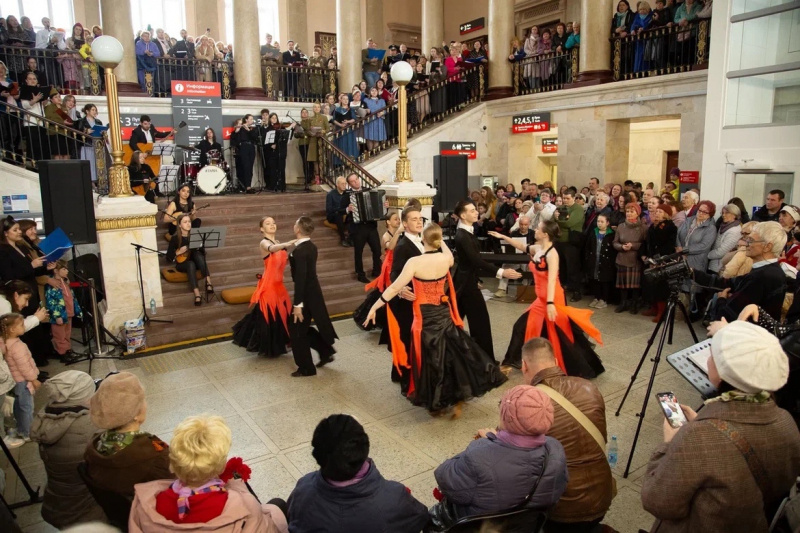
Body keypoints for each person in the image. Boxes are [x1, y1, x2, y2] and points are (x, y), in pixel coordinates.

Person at [641, 321, 800, 532]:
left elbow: (657, 500)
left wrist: (670, 443)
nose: (708, 359)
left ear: (726, 373)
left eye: (713, 356)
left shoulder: (699, 436)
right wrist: (712, 424)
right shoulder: (786, 420)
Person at [431, 385, 568, 528]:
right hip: (525, 527)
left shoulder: (479, 456)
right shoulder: (555, 449)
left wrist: (486, 442)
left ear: (506, 418)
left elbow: (444, 477)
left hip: (481, 527)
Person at [516, 339, 616, 532]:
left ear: (524, 366)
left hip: (562, 511)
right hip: (604, 495)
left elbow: (513, 454)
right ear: (555, 361)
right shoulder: (589, 387)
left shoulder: (528, 401)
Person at [129, 415, 289, 533]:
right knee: (278, 504)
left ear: (174, 462)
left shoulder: (144, 505)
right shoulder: (243, 506)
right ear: (219, 467)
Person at [492, 220, 604, 376]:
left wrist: (550, 303)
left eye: (538, 228)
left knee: (556, 332)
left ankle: (563, 364)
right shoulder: (538, 248)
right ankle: (521, 360)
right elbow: (521, 246)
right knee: (529, 327)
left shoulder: (552, 254)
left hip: (552, 297)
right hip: (541, 298)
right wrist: (503, 236)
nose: (535, 230)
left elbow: (552, 279)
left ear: (545, 234)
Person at [287, 414, 429, 532]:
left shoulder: (303, 488)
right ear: (364, 448)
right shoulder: (395, 497)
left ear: (318, 456)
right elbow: (421, 518)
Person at [30, 371, 105, 529]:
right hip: (86, 511)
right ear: (85, 398)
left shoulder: (45, 419)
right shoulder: (89, 427)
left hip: (56, 503)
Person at [84, 372, 171, 502]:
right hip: (148, 510)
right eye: (143, 400)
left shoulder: (95, 443)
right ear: (136, 413)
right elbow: (176, 482)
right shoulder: (155, 453)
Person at [453, 201, 521, 360]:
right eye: (472, 210)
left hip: (467, 282)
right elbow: (476, 260)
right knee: (480, 322)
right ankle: (485, 360)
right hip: (466, 285)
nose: (476, 212)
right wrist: (502, 272)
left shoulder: (467, 232)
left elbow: (471, 262)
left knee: (460, 322)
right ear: (463, 215)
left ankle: (477, 357)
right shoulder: (462, 235)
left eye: (475, 210)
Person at [693, 221, 787, 322]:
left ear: (767, 246)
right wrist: (692, 273)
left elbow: (729, 316)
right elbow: (727, 283)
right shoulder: (770, 270)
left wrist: (722, 300)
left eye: (750, 240)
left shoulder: (762, 276)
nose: (746, 244)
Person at [232, 216, 296, 357]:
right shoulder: (264, 242)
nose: (272, 225)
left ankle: (282, 342)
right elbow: (272, 249)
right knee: (269, 314)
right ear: (262, 229)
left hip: (279, 284)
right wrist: (288, 243)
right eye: (268, 223)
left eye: (273, 222)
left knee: (283, 313)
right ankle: (270, 345)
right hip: (269, 285)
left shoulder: (278, 242)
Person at [0, 217, 56, 367]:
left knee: (36, 326)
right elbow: (9, 275)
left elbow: (32, 271)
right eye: (15, 230)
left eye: (19, 229)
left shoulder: (21, 247)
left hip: (30, 290)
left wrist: (45, 268)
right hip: (18, 294)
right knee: (26, 329)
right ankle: (31, 365)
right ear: (5, 233)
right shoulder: (3, 251)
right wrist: (31, 265)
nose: (19, 232)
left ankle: (39, 361)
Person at [288, 217, 338, 377]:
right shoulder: (311, 246)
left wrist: (298, 305)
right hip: (313, 292)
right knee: (301, 328)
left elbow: (301, 278)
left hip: (305, 294)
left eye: (295, 223)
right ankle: (325, 352)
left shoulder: (300, 251)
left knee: (296, 331)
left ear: (297, 229)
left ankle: (306, 368)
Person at [0, 313, 40, 443]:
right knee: (26, 406)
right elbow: (24, 366)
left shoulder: (6, 343)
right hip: (23, 381)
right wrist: (33, 379)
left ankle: (20, 428)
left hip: (16, 381)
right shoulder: (17, 346)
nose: (24, 327)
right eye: (21, 325)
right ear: (12, 329)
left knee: (18, 405)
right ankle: (27, 431)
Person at [340, 173, 382, 283]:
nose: (356, 182)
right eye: (352, 181)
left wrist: (384, 206)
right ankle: (360, 274)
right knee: (358, 252)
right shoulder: (347, 195)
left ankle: (377, 271)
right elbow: (339, 210)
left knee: (377, 250)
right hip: (358, 228)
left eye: (356, 180)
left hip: (371, 226)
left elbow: (378, 206)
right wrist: (347, 209)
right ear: (349, 184)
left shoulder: (369, 191)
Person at [166, 215, 212, 306]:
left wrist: (200, 247)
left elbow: (203, 253)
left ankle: (208, 283)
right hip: (182, 263)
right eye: (185, 222)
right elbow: (168, 257)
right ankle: (197, 294)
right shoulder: (175, 238)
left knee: (197, 254)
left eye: (189, 221)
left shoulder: (196, 235)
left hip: (197, 260)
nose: (188, 224)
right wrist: (178, 252)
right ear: (179, 225)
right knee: (190, 264)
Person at [613, 202, 648, 313]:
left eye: (632, 211)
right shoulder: (621, 226)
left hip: (635, 259)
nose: (629, 213)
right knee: (623, 284)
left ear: (637, 213)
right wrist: (622, 246)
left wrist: (633, 245)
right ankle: (623, 303)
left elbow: (645, 244)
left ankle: (634, 304)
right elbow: (615, 242)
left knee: (634, 285)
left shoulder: (643, 228)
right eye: (627, 211)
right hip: (622, 257)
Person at [44, 260, 81, 360]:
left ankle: (68, 350)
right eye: (64, 269)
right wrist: (57, 316)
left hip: (68, 313)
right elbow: (51, 301)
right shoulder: (53, 284)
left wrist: (77, 310)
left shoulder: (65, 282)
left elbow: (71, 297)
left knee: (67, 333)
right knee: (59, 335)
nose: (67, 271)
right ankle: (62, 353)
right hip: (60, 314)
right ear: (56, 271)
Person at [555, 189, 585, 302]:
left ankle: (576, 291)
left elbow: (569, 223)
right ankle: (563, 288)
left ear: (573, 198)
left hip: (571, 242)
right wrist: (558, 219)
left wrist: (558, 219)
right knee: (562, 267)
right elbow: (552, 220)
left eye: (568, 198)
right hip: (559, 241)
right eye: (564, 198)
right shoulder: (561, 207)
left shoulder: (577, 209)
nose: (565, 200)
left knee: (573, 267)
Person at [584, 213, 617, 309]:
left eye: (602, 221)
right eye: (598, 221)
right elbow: (588, 247)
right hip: (594, 260)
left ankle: (604, 299)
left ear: (607, 223)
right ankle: (597, 297)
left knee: (604, 281)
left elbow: (613, 251)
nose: (599, 223)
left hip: (606, 262)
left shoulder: (611, 234)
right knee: (595, 279)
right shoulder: (594, 232)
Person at [708, 203, 743, 274]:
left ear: (734, 215)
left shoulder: (735, 230)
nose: (723, 215)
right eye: (722, 213)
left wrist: (707, 255)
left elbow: (722, 251)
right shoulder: (724, 226)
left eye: (727, 213)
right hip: (714, 265)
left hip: (720, 267)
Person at [231, 114, 258, 193]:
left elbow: (254, 138)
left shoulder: (252, 129)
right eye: (251, 119)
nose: (252, 120)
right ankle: (247, 187)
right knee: (246, 167)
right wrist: (237, 131)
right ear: (246, 120)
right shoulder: (240, 130)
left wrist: (249, 130)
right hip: (244, 148)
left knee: (250, 167)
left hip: (251, 148)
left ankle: (249, 185)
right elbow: (235, 140)